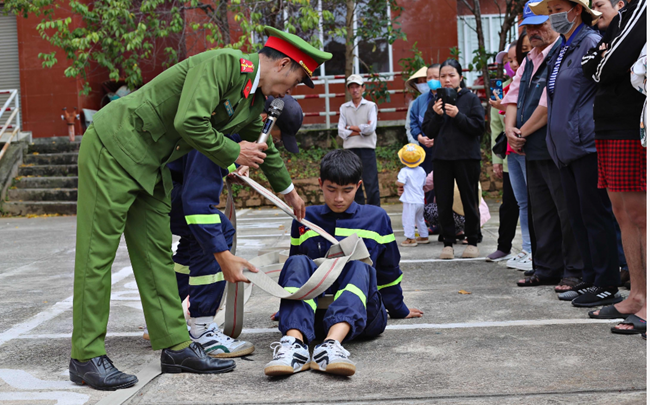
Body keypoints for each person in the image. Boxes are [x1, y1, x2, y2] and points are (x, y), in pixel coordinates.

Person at [69, 26, 331, 391]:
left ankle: (175, 346)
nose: (289, 93)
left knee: (157, 255)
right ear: (284, 64)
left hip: (151, 163)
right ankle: (85, 356)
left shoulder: (252, 99)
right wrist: (232, 152)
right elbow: (188, 121)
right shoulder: (224, 65)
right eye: (295, 82)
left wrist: (288, 191)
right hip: (114, 148)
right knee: (97, 255)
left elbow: (261, 145)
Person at [161, 95, 306, 358]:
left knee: (195, 240)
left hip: (167, 180)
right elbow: (199, 179)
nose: (271, 142)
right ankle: (202, 329)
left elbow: (201, 160)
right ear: (264, 121)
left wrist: (230, 166)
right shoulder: (225, 122)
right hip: (164, 187)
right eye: (275, 134)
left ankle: (164, 319)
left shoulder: (232, 119)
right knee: (217, 232)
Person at [263, 150, 423, 377]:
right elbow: (296, 271)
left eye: (347, 190)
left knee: (360, 265)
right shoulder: (304, 218)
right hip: (316, 318)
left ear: (358, 186)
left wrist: (398, 308)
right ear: (320, 184)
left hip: (363, 320)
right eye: (331, 189)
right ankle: (294, 345)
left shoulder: (376, 218)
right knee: (297, 260)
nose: (339, 198)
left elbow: (388, 271)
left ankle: (331, 346)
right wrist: (288, 308)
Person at [529, 0, 623, 307]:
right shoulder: (563, 48)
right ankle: (591, 277)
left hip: (586, 144)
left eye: (559, 7)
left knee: (596, 215)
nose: (554, 15)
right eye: (550, 8)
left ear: (576, 9)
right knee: (578, 216)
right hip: (564, 148)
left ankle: (607, 282)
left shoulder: (591, 41)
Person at [501, 1, 585, 290]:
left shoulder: (562, 53)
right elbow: (512, 95)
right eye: (529, 28)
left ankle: (573, 271)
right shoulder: (530, 58)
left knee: (565, 210)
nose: (534, 32)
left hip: (554, 146)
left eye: (540, 24)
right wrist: (510, 130)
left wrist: (519, 132)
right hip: (529, 147)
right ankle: (546, 268)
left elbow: (548, 105)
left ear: (554, 20)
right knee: (541, 212)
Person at [582, 0, 646, 334]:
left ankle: (647, 300)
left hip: (630, 124)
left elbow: (608, 66)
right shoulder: (616, 22)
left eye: (598, 3)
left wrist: (605, 60)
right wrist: (604, 59)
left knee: (641, 216)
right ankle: (636, 295)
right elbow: (591, 67)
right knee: (622, 214)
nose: (594, 10)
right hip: (607, 124)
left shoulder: (640, 9)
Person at [422, 59, 485, 259]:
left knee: (469, 199)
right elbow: (428, 131)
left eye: (451, 75)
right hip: (442, 158)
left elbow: (478, 127)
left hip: (467, 158)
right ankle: (447, 242)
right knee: (444, 201)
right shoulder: (435, 102)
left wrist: (458, 115)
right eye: (443, 76)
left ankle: (473, 240)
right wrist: (437, 115)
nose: (447, 80)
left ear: (460, 77)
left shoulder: (470, 99)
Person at [486, 42, 529, 265]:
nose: (510, 64)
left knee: (532, 204)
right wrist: (497, 160)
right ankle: (507, 247)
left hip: (527, 151)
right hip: (509, 154)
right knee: (512, 204)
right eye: (506, 61)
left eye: (514, 59)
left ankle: (533, 250)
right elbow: (496, 127)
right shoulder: (503, 88)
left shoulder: (530, 83)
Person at [338, 74, 380, 206]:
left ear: (363, 88)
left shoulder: (371, 106)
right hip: (350, 150)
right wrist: (361, 129)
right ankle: (357, 212)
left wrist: (350, 127)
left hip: (367, 149)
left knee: (371, 182)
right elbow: (341, 132)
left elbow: (370, 128)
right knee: (353, 183)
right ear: (348, 89)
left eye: (357, 87)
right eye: (351, 87)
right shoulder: (344, 108)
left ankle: (375, 212)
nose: (355, 90)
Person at [422, 170, 491, 240]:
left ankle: (463, 233)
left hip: (463, 216)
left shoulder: (439, 170)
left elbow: (424, 186)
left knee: (424, 210)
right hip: (477, 214)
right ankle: (459, 231)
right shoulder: (467, 169)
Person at [409, 64, 441, 176]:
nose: (432, 80)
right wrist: (420, 138)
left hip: (445, 149)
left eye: (436, 77)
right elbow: (413, 124)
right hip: (425, 151)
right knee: (427, 184)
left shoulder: (451, 98)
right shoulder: (419, 101)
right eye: (429, 78)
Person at [396, 144, 429, 247]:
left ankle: (410, 238)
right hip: (420, 200)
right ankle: (424, 236)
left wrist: (397, 182)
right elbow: (424, 184)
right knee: (419, 219)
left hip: (410, 200)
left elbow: (401, 183)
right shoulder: (422, 170)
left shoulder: (404, 171)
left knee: (408, 219)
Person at [405, 66, 429, 145]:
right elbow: (410, 127)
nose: (423, 84)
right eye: (420, 82)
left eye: (425, 80)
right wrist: (416, 144)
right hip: (420, 146)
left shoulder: (441, 100)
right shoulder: (414, 104)